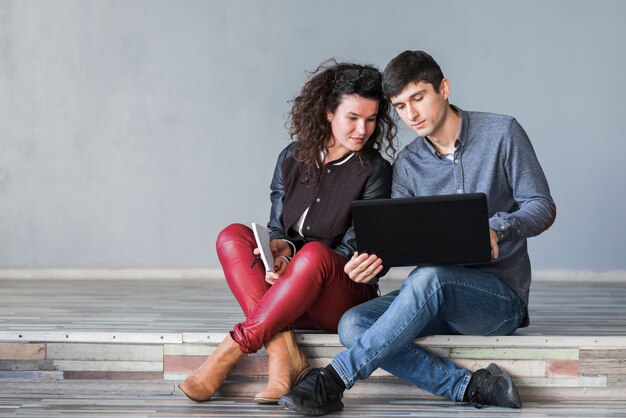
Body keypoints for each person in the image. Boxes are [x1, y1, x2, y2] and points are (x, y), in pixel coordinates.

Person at [279, 50, 557, 415]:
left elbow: (542, 205)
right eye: (400, 105)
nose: (411, 114)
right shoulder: (408, 164)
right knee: (354, 323)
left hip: (498, 301)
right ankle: (470, 387)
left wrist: (497, 228)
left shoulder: (502, 132)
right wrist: (371, 262)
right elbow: (397, 244)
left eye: (418, 98)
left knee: (432, 278)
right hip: (432, 297)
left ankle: (333, 379)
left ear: (443, 88)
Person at [178, 60, 397, 404]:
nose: (362, 129)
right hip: (288, 292)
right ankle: (284, 351)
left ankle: (231, 350)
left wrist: (296, 261)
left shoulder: (375, 170)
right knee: (232, 235)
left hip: (340, 296)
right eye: (352, 118)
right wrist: (279, 251)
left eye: (370, 119)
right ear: (328, 113)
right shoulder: (291, 158)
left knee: (313, 255)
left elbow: (351, 251)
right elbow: (279, 227)